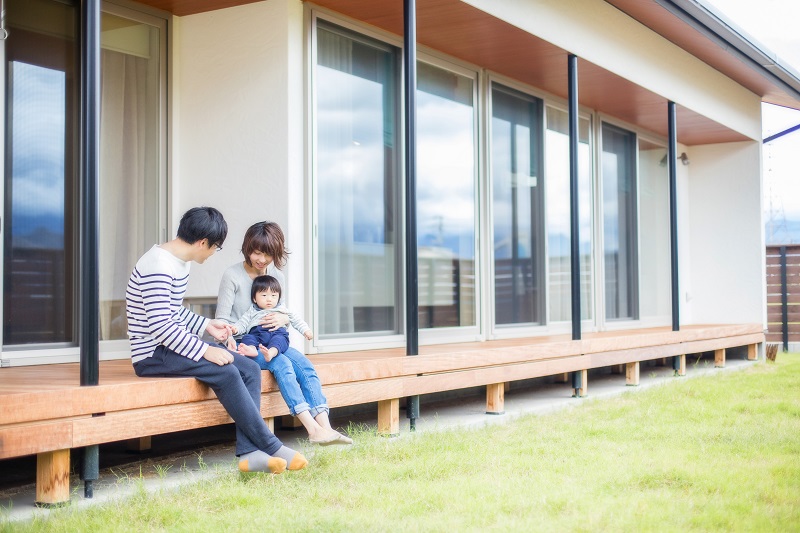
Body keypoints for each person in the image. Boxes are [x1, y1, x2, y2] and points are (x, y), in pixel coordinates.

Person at [126, 207, 307, 474]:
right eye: (215, 248)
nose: (213, 254)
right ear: (202, 243)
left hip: (172, 346)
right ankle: (271, 445)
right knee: (226, 371)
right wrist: (205, 351)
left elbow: (172, 312)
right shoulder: (158, 266)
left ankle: (249, 455)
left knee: (248, 368)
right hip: (153, 354)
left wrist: (207, 324)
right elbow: (162, 327)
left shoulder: (178, 262)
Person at [216, 221, 352, 446]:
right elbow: (222, 319)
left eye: (267, 254)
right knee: (282, 365)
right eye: (256, 252)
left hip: (274, 338)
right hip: (245, 342)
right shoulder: (232, 275)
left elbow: (281, 311)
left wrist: (286, 320)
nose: (261, 259)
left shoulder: (277, 275)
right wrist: (229, 338)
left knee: (305, 365)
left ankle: (326, 428)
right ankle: (312, 430)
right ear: (247, 248)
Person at [227, 274, 313, 363]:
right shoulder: (252, 311)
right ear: (254, 298)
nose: (269, 299)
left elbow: (296, 320)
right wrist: (235, 329)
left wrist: (306, 330)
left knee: (280, 340)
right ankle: (252, 349)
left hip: (277, 333)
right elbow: (243, 323)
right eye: (264, 295)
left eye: (273, 295)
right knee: (247, 337)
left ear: (279, 298)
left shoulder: (282, 309)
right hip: (257, 334)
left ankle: (271, 353)